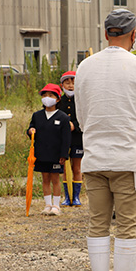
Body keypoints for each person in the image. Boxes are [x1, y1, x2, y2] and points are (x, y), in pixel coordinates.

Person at [75, 9, 136, 271]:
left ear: (106, 33)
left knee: (97, 221)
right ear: (134, 36)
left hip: (94, 158)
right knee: (128, 223)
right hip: (128, 158)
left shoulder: (85, 66)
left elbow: (82, 118)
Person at [27, 83, 71, 216]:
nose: (47, 98)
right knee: (45, 178)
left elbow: (66, 138)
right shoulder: (37, 115)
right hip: (41, 153)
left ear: (57, 99)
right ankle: (47, 204)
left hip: (56, 154)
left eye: (51, 95)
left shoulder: (63, 117)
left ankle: (56, 205)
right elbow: (31, 128)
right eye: (44, 95)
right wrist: (30, 131)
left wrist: (64, 154)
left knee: (55, 179)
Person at [58, 71, 83, 207]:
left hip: (77, 138)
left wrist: (75, 125)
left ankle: (77, 196)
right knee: (65, 168)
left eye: (73, 82)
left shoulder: (81, 100)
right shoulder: (58, 101)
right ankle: (67, 196)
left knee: (77, 167)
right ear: (62, 85)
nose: (71, 85)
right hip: (63, 139)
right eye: (67, 83)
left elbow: (85, 117)